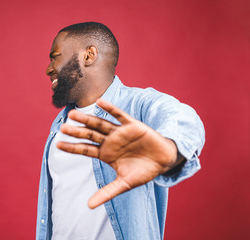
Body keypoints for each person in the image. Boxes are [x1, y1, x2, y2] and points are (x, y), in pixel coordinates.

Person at [36, 22, 205, 240]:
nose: (49, 69)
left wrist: (170, 151)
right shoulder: (60, 125)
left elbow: (183, 119)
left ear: (89, 55)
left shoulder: (138, 105)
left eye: (55, 56)